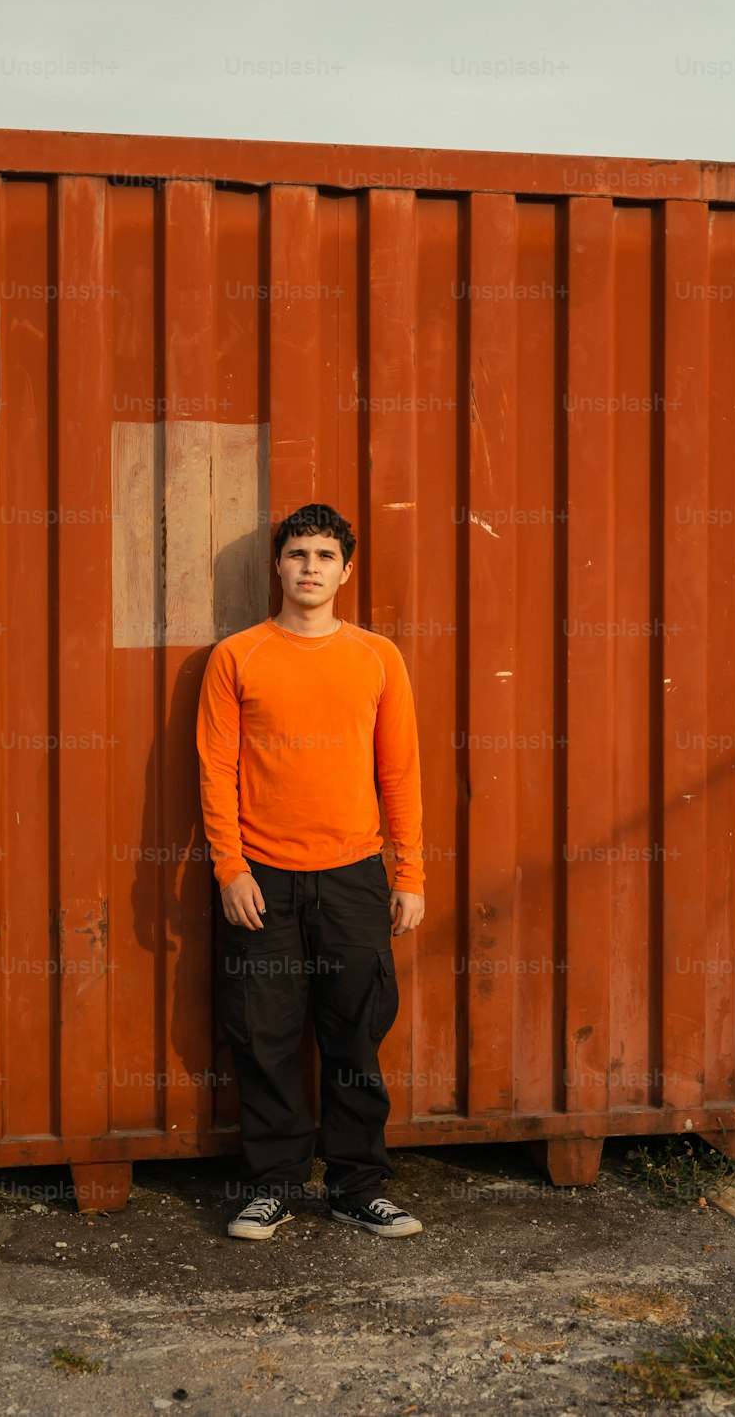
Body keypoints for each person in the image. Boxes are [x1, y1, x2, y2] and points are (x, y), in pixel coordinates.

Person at [196, 502, 426, 1240]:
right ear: (278, 565)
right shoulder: (238, 657)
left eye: (325, 556)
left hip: (355, 876)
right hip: (263, 879)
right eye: (298, 554)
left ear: (346, 570)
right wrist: (229, 867)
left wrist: (411, 873)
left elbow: (400, 772)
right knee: (262, 1037)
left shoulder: (377, 658)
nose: (310, 568)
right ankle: (273, 1185)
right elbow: (216, 768)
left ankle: (358, 1186)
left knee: (356, 1036)